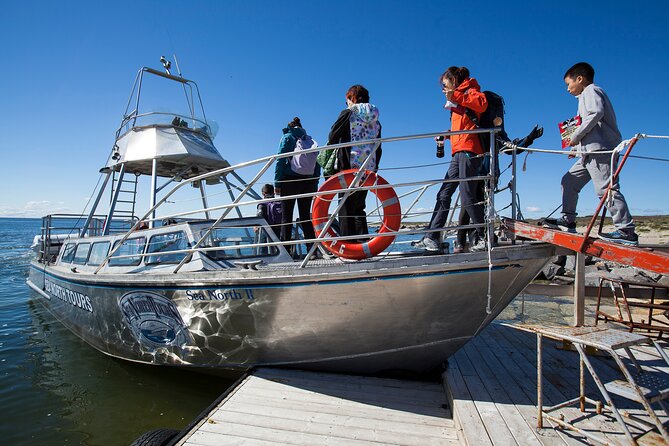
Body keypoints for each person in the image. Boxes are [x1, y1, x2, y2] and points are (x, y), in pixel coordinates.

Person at [544, 62, 637, 245]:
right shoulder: (583, 97)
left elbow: (596, 113)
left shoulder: (591, 91)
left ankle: (626, 231)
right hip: (588, 153)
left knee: (606, 189)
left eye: (568, 84)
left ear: (580, 79)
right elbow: (587, 124)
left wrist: (576, 137)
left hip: (600, 150)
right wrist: (577, 148)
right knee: (569, 181)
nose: (568, 89)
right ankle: (568, 220)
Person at [414, 66, 488, 253]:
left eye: (445, 86)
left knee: (468, 195)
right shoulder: (458, 100)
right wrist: (446, 136)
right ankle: (432, 236)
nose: (444, 90)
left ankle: (485, 237)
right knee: (444, 193)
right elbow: (463, 126)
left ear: (454, 81)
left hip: (469, 151)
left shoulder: (471, 92)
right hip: (458, 151)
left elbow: (482, 104)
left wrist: (455, 96)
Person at [326, 85, 382, 238]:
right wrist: (375, 167)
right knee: (358, 207)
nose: (347, 104)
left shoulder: (348, 113)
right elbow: (379, 145)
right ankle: (362, 244)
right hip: (368, 167)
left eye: (347, 101)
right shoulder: (376, 119)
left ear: (352, 98)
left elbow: (332, 136)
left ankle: (348, 245)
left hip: (348, 166)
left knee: (344, 207)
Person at [274, 117, 320, 254]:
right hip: (308, 182)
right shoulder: (310, 140)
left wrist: (277, 182)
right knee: (305, 217)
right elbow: (317, 165)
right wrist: (315, 184)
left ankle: (286, 252)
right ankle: (312, 251)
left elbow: (280, 160)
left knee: (286, 217)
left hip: (289, 181)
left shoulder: (288, 137)